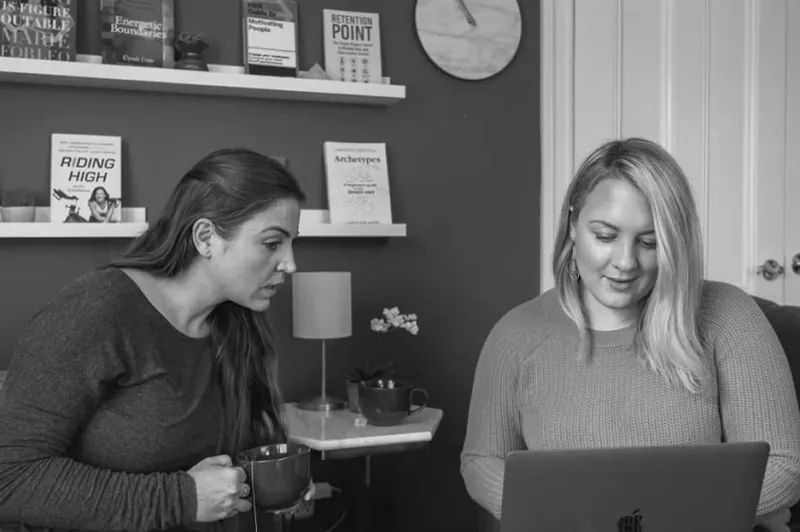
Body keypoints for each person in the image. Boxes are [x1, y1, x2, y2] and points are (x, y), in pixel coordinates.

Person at [460, 137, 800, 531]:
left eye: (649, 242)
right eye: (605, 236)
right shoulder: (515, 335)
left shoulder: (729, 316)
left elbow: (784, 465)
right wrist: (572, 516)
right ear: (572, 224)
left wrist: (643, 518)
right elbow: (482, 460)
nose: (625, 262)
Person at [0, 148, 310, 532]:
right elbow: (9, 478)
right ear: (206, 237)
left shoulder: (236, 323)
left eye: (293, 242)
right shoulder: (96, 311)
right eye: (271, 243)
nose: (291, 263)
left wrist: (273, 482)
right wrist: (182, 498)